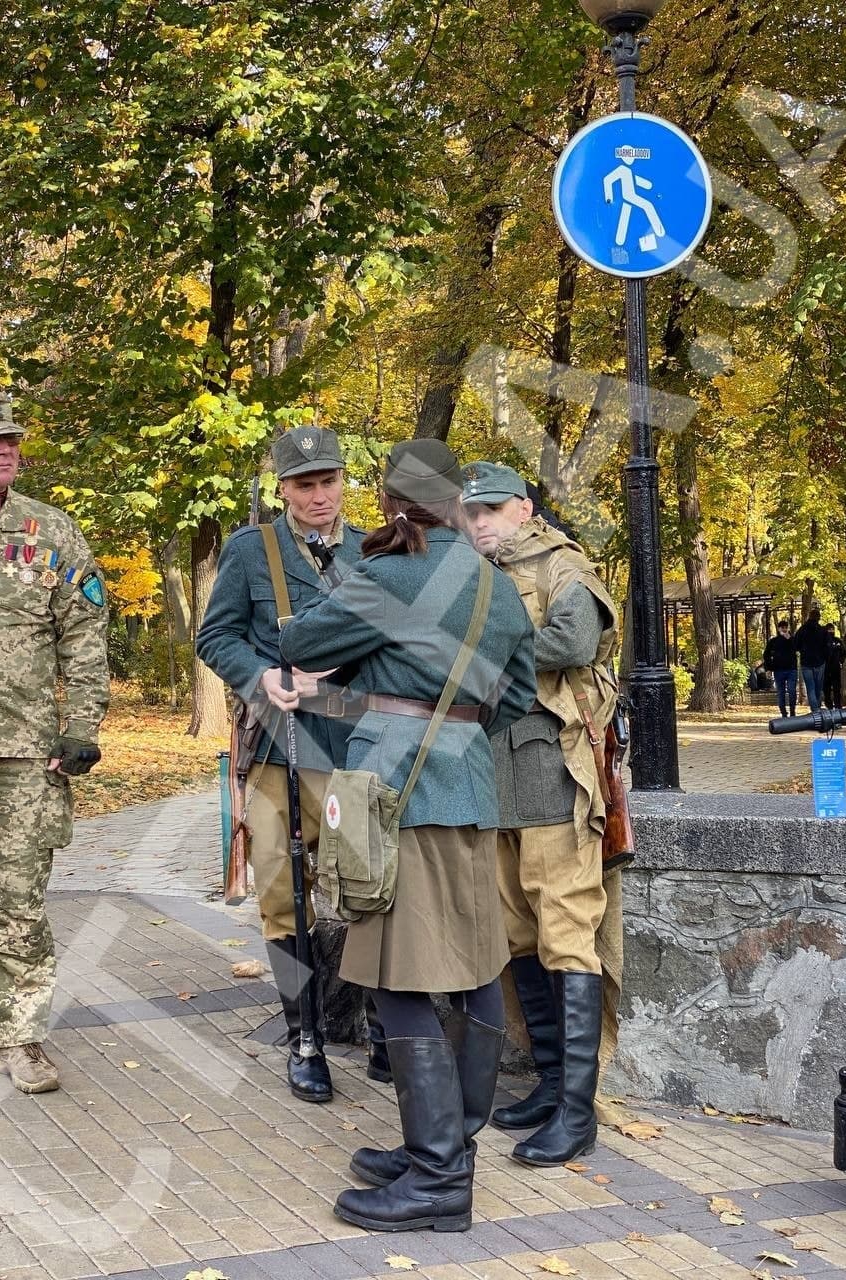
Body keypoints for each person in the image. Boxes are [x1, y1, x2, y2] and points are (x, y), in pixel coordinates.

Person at [279, 439, 536, 1233]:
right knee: (472, 969)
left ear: (392, 502)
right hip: (468, 790)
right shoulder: (499, 588)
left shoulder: (384, 575)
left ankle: (437, 1181)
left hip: (395, 794)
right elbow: (516, 695)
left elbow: (299, 647)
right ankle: (448, 1145)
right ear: (458, 501)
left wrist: (385, 673)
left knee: (399, 977)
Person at [197, 428, 391, 1102]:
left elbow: (397, 648)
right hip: (277, 752)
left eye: (328, 480)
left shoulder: (375, 550)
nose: (318, 495)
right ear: (282, 488)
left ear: (344, 482)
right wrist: (258, 678)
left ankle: (384, 1029)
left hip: (354, 748)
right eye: (304, 484)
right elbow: (215, 635)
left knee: (370, 892)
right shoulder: (253, 552)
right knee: (284, 897)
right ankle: (304, 1036)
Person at [0, 389, 109, 1093]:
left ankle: (19, 1037)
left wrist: (82, 725)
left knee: (18, 901)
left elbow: (84, 630)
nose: (6, 448)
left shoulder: (51, 532)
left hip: (24, 750)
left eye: (11, 437)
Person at [461, 462, 622, 1168]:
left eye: (492, 509)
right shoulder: (470, 574)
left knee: (566, 934)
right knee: (518, 935)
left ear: (524, 507)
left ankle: (577, 1113)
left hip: (553, 773)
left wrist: (479, 656)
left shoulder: (564, 566)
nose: (480, 522)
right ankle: (552, 1084)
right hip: (494, 777)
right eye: (470, 513)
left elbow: (572, 642)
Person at [794, 607, 829, 711]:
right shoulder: (823, 631)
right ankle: (817, 707)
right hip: (820, 662)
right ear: (819, 618)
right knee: (818, 688)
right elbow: (827, 647)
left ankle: (815, 710)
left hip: (806, 663)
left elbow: (795, 645)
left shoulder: (802, 630)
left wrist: (803, 650)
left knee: (810, 688)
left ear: (809, 617)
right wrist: (824, 657)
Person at [763, 619, 798, 718]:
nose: (784, 629)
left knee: (792, 690)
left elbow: (798, 648)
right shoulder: (773, 641)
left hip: (792, 669)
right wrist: (768, 668)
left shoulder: (792, 639)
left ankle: (792, 711)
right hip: (779, 670)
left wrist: (790, 639)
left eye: (786, 628)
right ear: (778, 629)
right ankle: (783, 712)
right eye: (782, 628)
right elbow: (766, 655)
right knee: (781, 692)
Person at [823, 623, 846, 711]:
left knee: (837, 688)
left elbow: (844, 653)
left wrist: (840, 661)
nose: (831, 631)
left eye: (832, 629)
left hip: (835, 668)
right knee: (826, 689)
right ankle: (829, 705)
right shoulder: (822, 642)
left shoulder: (838, 641)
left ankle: (838, 705)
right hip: (825, 669)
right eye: (829, 629)